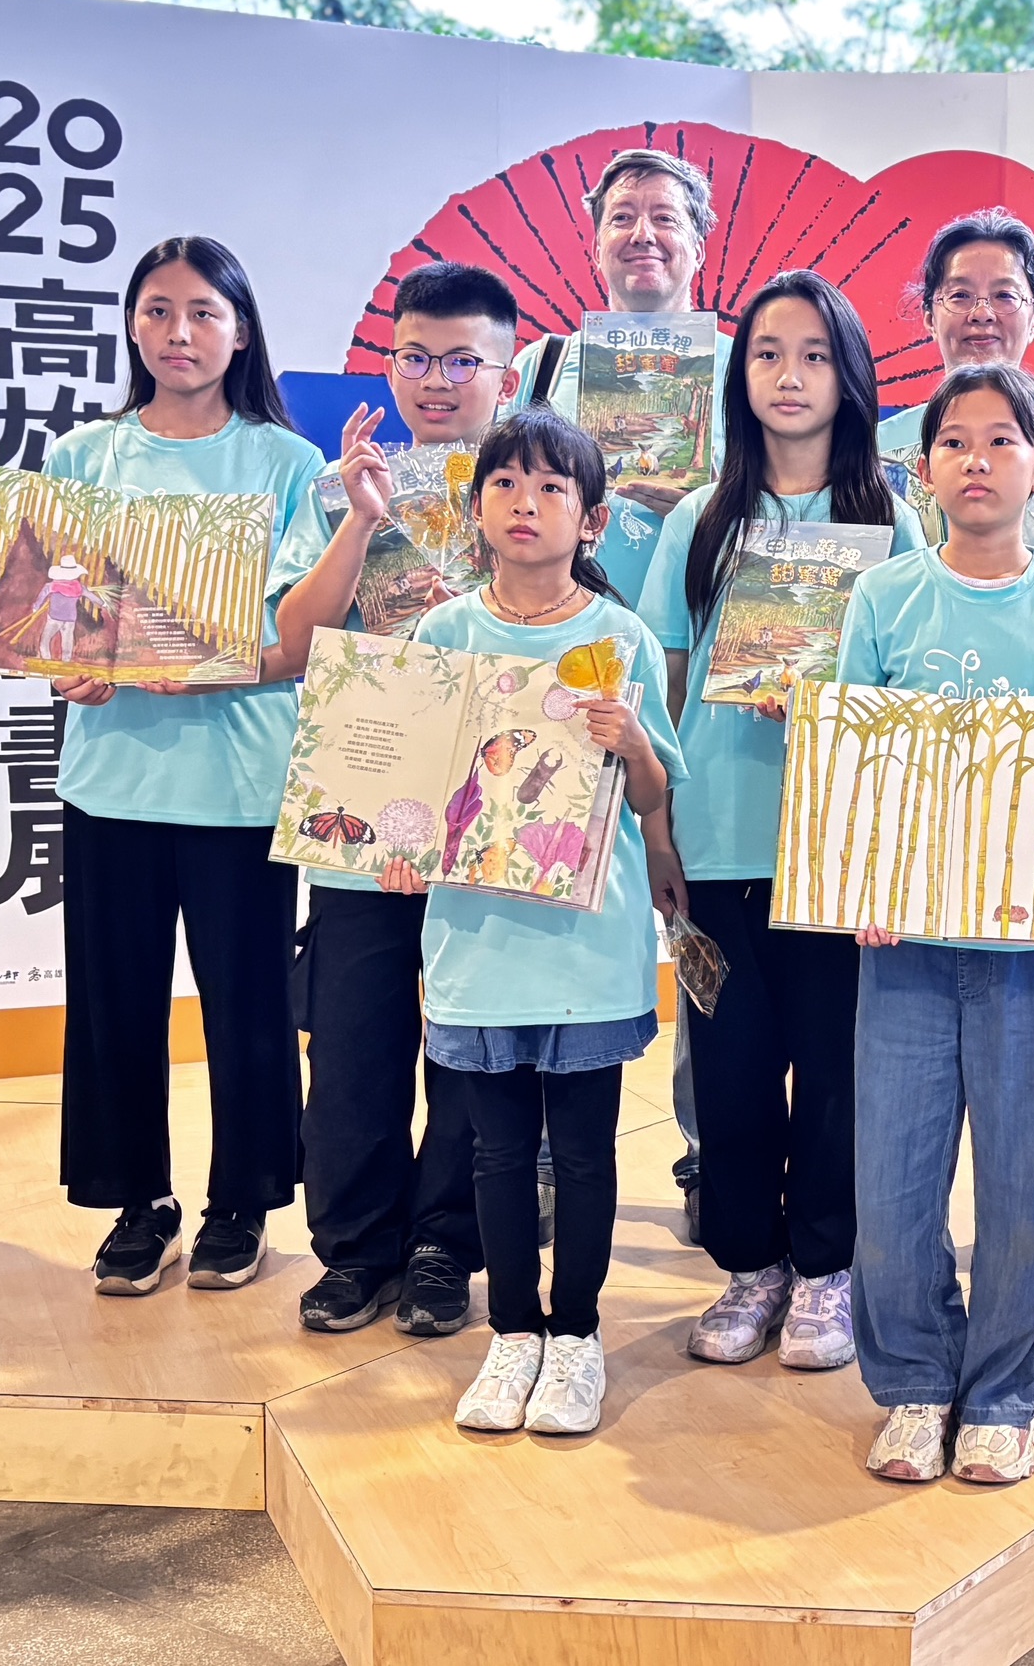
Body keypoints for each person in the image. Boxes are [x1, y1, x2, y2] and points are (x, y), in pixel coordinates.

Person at [839, 363, 1034, 1486]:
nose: (977, 459)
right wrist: (862, 883)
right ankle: (914, 1381)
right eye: (954, 441)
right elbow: (853, 762)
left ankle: (1007, 1391)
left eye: (1002, 440)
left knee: (1026, 1184)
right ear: (922, 469)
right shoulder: (884, 598)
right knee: (894, 1183)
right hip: (904, 949)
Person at [636, 270, 921, 1371]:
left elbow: (913, 687)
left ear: (849, 377)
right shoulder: (699, 522)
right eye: (765, 353)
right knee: (732, 1067)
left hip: (842, 850)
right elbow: (663, 686)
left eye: (812, 355)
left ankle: (827, 1266)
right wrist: (660, 830)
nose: (788, 376)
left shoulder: (890, 521)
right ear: (737, 375)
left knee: (839, 1071)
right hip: (720, 842)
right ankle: (748, 1261)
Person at [382, 410, 684, 1437]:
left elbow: (652, 795)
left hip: (586, 945)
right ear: (474, 508)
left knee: (586, 1152)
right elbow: (404, 786)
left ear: (591, 519)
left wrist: (631, 741)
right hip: (476, 944)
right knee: (497, 1152)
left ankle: (578, 1334)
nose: (526, 502)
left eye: (553, 487)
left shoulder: (617, 638)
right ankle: (513, 1330)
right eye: (505, 484)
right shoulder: (443, 635)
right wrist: (392, 842)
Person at [47, 237, 321, 1297]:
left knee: (248, 1006)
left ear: (240, 331)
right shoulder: (84, 457)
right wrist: (65, 664)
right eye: (157, 310)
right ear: (131, 325)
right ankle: (138, 1202)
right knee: (113, 1001)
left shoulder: (286, 464)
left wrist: (201, 662)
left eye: (204, 312)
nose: (179, 333)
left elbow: (299, 631)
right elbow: (53, 614)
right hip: (111, 779)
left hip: (240, 781)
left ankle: (241, 1202)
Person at [265, 262, 522, 1335]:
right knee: (354, 1036)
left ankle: (442, 1247)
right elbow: (291, 644)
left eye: (464, 360)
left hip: (494, 807)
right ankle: (355, 1249)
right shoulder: (338, 489)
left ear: (507, 376)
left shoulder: (535, 489)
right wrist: (359, 524)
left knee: (471, 1040)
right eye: (416, 357)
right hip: (362, 801)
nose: (436, 380)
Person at [503, 147, 731, 1237]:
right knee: (555, 895)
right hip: (564, 673)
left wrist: (689, 490)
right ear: (593, 240)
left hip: (698, 674)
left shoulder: (739, 366)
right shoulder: (547, 362)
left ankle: (706, 1147)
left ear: (701, 241)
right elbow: (500, 495)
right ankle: (546, 1158)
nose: (643, 235)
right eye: (622, 217)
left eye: (665, 218)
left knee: (695, 912)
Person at [875, 209, 1034, 552]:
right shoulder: (880, 444)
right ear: (929, 317)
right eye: (960, 295)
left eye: (1004, 296)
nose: (982, 314)